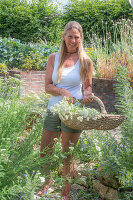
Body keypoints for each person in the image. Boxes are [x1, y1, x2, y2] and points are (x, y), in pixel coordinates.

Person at [37, 21, 93, 200]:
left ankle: (66, 192)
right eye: (70, 36)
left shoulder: (85, 61)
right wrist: (62, 91)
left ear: (80, 38)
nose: (73, 40)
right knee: (45, 150)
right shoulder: (53, 58)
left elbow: (87, 88)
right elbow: (47, 87)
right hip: (54, 108)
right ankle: (48, 182)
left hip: (73, 112)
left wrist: (87, 95)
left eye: (77, 37)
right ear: (64, 37)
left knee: (67, 153)